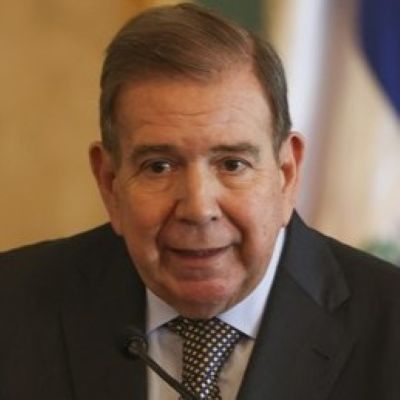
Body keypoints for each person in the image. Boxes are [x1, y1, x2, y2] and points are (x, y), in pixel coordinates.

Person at [0, 3, 399, 400]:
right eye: (159, 167)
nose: (198, 208)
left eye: (232, 164)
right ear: (109, 182)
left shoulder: (390, 324)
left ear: (287, 173)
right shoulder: (12, 308)